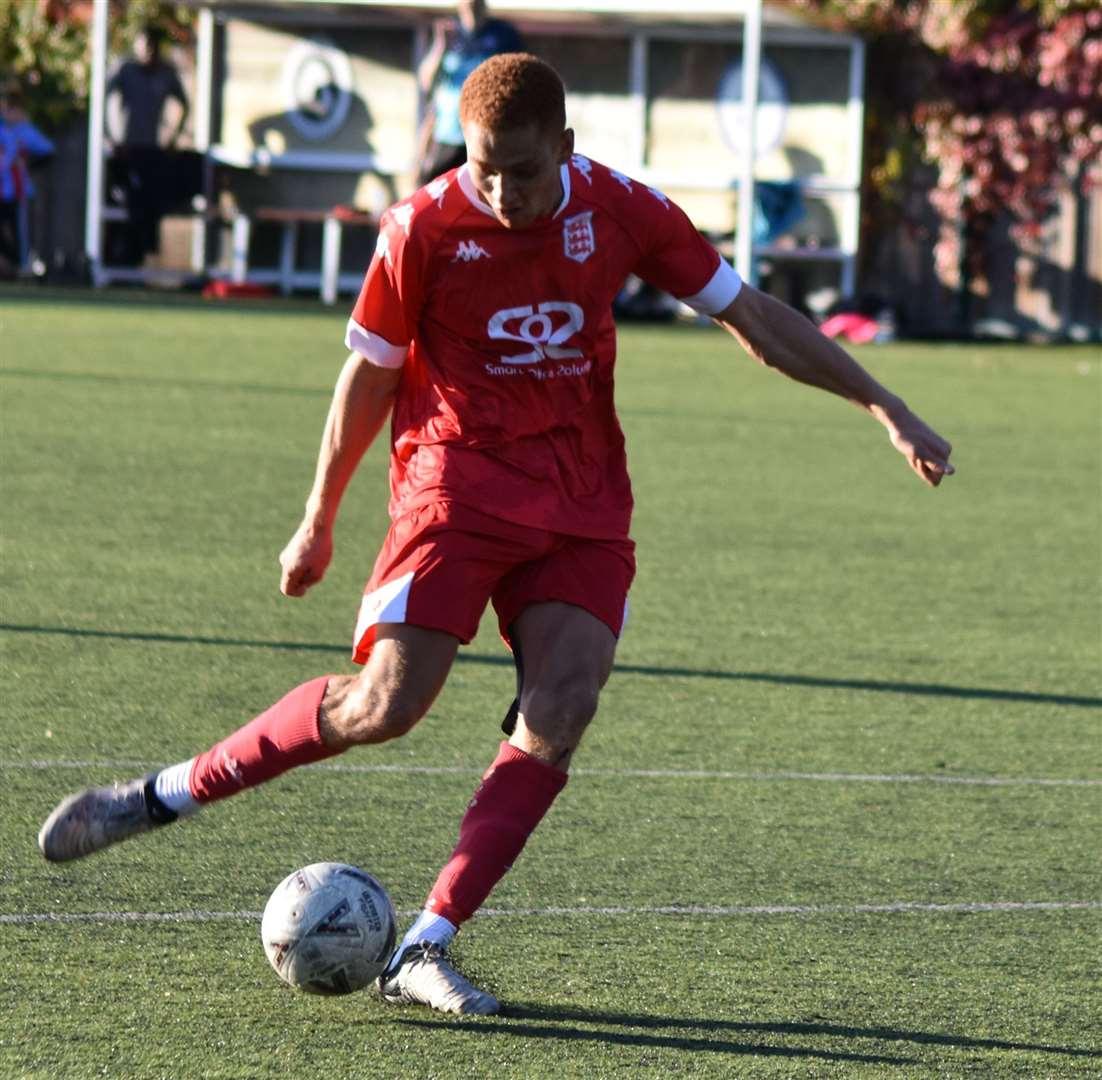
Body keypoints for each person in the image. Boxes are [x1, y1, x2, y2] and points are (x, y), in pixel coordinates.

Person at [38, 54, 954, 1017]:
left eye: (522, 169)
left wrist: (883, 406)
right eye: (484, 167)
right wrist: (318, 518)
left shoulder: (625, 210)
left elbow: (755, 318)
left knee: (562, 706)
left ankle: (425, 947)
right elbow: (369, 379)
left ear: (564, 146)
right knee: (384, 707)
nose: (502, 189)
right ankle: (156, 797)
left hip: (583, 502)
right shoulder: (422, 226)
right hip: (454, 488)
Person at [104, 25, 190, 264]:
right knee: (125, 203)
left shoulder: (165, 74)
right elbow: (103, 98)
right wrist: (110, 135)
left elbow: (184, 104)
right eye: (145, 44)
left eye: (153, 45)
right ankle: (117, 259)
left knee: (150, 205)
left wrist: (173, 138)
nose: (149, 51)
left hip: (151, 152)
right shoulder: (125, 70)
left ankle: (140, 258)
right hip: (125, 151)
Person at [416, 0, 521, 185]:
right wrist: (441, 47)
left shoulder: (503, 35)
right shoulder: (450, 31)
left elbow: (519, 78)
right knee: (439, 190)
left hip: (486, 131)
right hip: (449, 131)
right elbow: (426, 82)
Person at [0, 84, 55, 274]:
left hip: (16, 191)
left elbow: (48, 151)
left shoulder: (25, 130)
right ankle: (14, 261)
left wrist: (28, 165)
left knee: (19, 232)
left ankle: (22, 267)